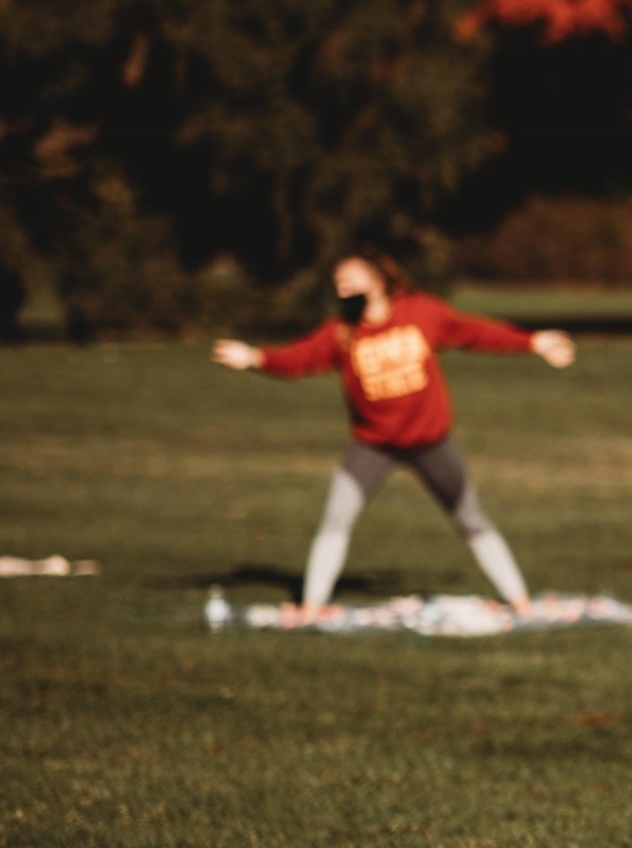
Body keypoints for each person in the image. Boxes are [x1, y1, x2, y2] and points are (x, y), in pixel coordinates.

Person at [212, 252, 574, 620]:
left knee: (471, 519)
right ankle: (311, 608)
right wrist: (256, 358)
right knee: (336, 519)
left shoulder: (420, 313)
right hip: (373, 446)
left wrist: (533, 342)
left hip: (430, 442)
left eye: (352, 277)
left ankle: (522, 604)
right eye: (339, 282)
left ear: (379, 281)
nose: (344, 286)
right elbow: (298, 358)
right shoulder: (341, 332)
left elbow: (474, 332)